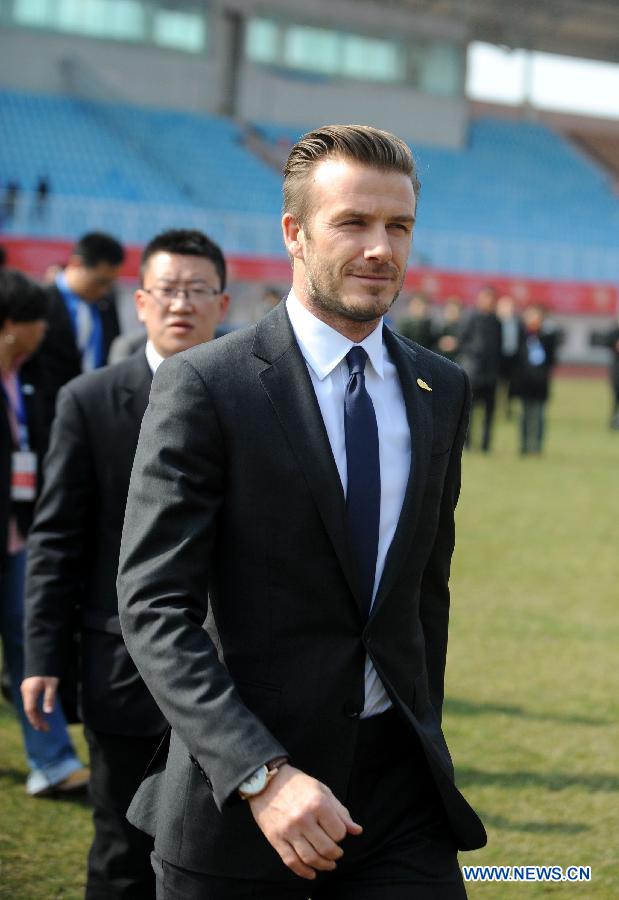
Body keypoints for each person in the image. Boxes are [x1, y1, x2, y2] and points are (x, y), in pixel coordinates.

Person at [117, 124, 486, 899]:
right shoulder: (206, 386)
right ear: (295, 232)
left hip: (398, 801)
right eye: (353, 222)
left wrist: (426, 732)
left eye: (398, 226)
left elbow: (425, 593)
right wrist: (262, 774)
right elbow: (154, 606)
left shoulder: (440, 389)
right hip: (242, 802)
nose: (381, 248)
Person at [21, 229, 230, 899]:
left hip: (237, 674)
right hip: (124, 670)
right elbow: (56, 540)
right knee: (121, 853)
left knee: (218, 856)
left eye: (198, 290)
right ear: (140, 301)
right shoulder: (87, 400)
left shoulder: (255, 399)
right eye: (168, 290)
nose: (182, 304)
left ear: (222, 305)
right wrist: (42, 656)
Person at [0, 269, 88, 797]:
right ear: (12, 325)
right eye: (37, 323)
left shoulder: (27, 379)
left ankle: (53, 761)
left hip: (19, 539)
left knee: (32, 643)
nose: (44, 333)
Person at [35, 231, 124, 426]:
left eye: (110, 283)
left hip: (94, 414)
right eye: (100, 281)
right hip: (50, 415)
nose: (104, 290)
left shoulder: (106, 305)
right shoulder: (39, 301)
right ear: (76, 264)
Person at [459, 286, 502, 452]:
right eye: (486, 299)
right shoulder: (471, 318)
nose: (488, 303)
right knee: (470, 412)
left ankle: (486, 444)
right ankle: (467, 444)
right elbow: (462, 340)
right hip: (473, 372)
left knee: (489, 412)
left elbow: (499, 346)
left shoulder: (496, 322)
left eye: (492, 301)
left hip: (490, 374)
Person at [513, 303, 557, 454]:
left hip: (541, 383)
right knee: (524, 416)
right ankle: (524, 446)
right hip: (524, 381)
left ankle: (537, 447)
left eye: (537, 316)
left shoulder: (548, 337)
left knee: (539, 416)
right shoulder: (521, 336)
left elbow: (552, 360)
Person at [496, 294, 520, 419]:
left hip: (512, 357)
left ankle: (507, 409)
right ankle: (497, 408)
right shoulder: (495, 322)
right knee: (497, 385)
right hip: (498, 357)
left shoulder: (517, 322)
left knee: (510, 385)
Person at [434, 296, 463, 362]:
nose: (451, 314)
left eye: (454, 311)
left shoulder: (464, 329)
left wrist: (457, 344)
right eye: (449, 311)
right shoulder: (438, 329)